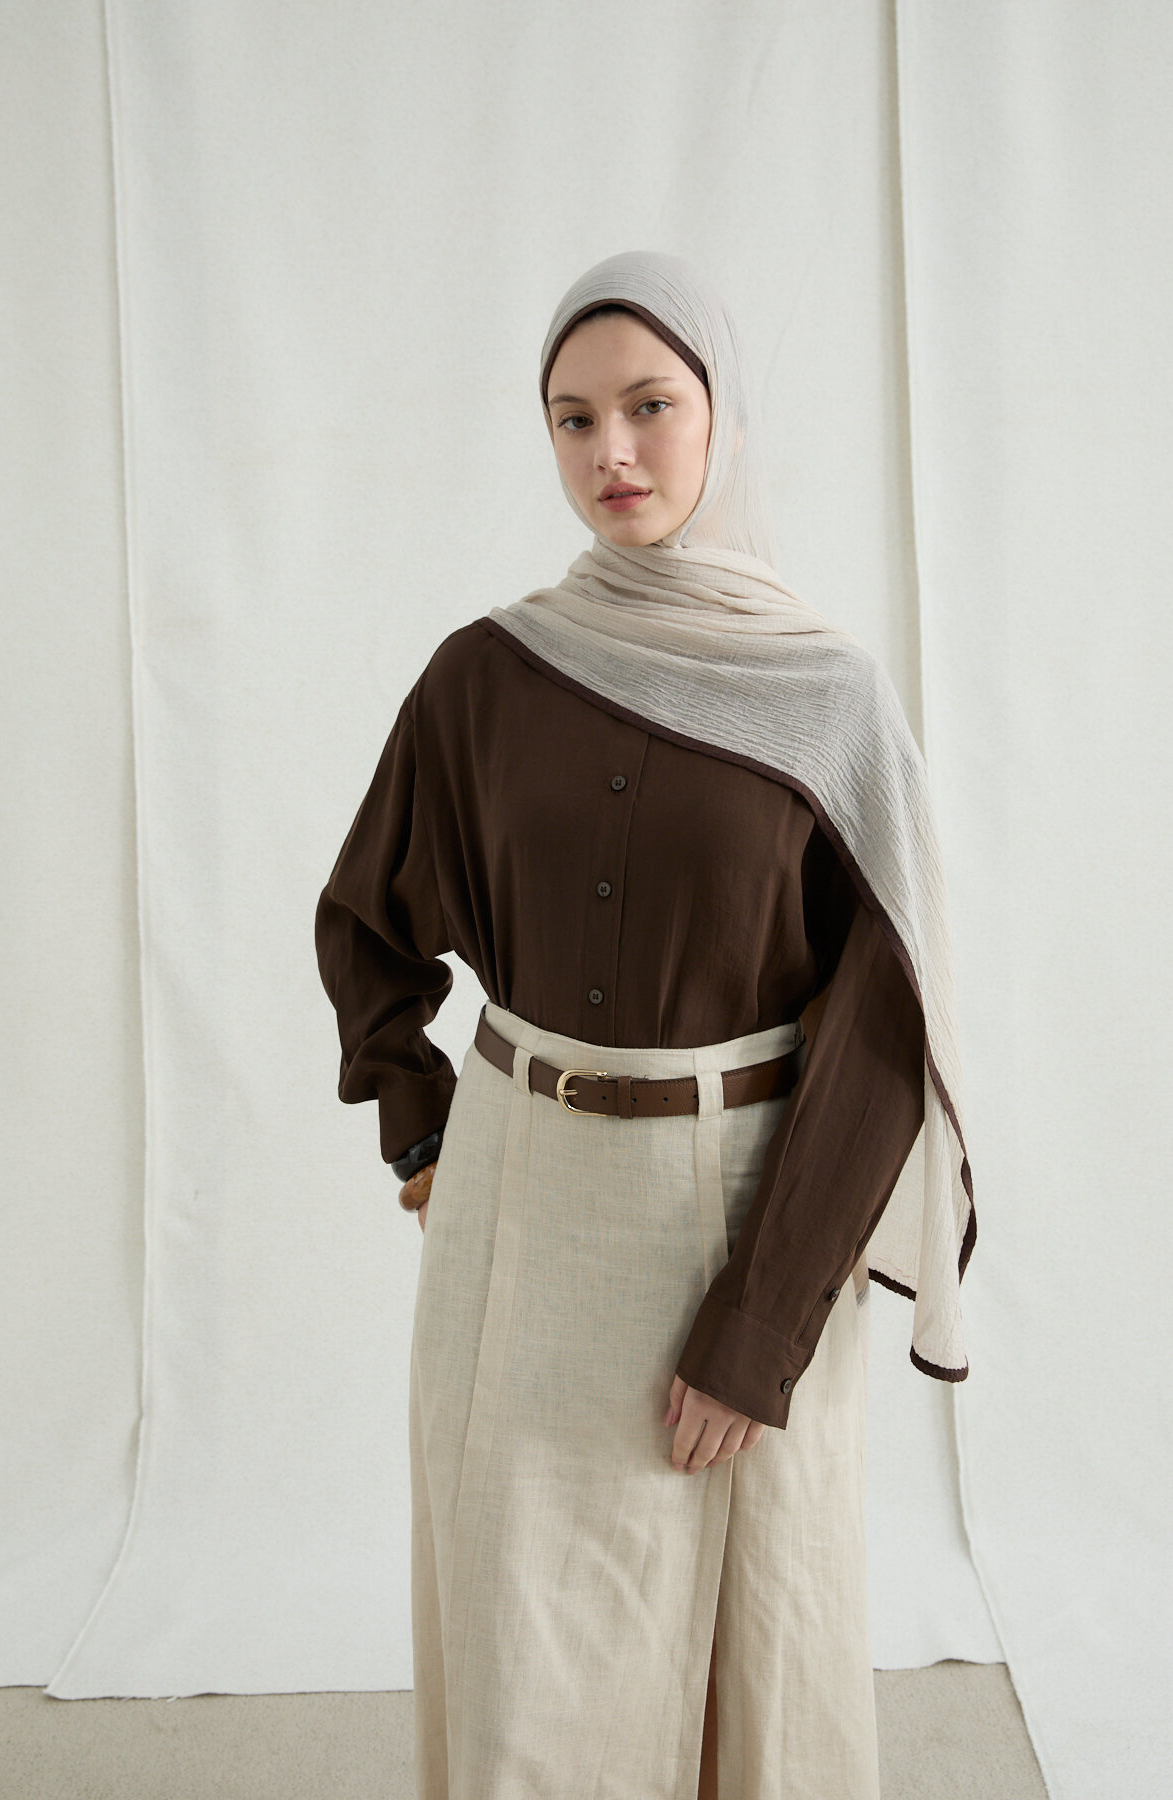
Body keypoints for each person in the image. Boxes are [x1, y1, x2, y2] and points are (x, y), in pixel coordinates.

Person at [315, 250, 976, 1800]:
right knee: (525, 1644)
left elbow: (886, 1031)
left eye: (650, 406)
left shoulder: (828, 698)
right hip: (520, 1209)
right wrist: (417, 1124)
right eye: (572, 417)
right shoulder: (485, 677)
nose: (610, 450)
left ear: (721, 414)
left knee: (757, 1656)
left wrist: (763, 1326)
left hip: (749, 1209)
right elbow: (365, 919)